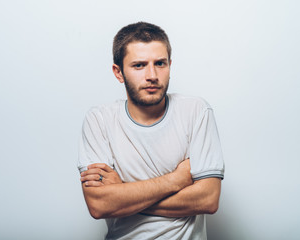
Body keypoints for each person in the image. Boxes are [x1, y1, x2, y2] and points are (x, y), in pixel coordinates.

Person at [77, 22, 225, 240]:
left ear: (170, 65)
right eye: (139, 65)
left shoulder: (196, 111)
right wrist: (176, 180)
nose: (152, 75)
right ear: (118, 72)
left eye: (160, 63)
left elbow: (208, 200)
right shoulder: (99, 120)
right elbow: (99, 205)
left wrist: (124, 194)